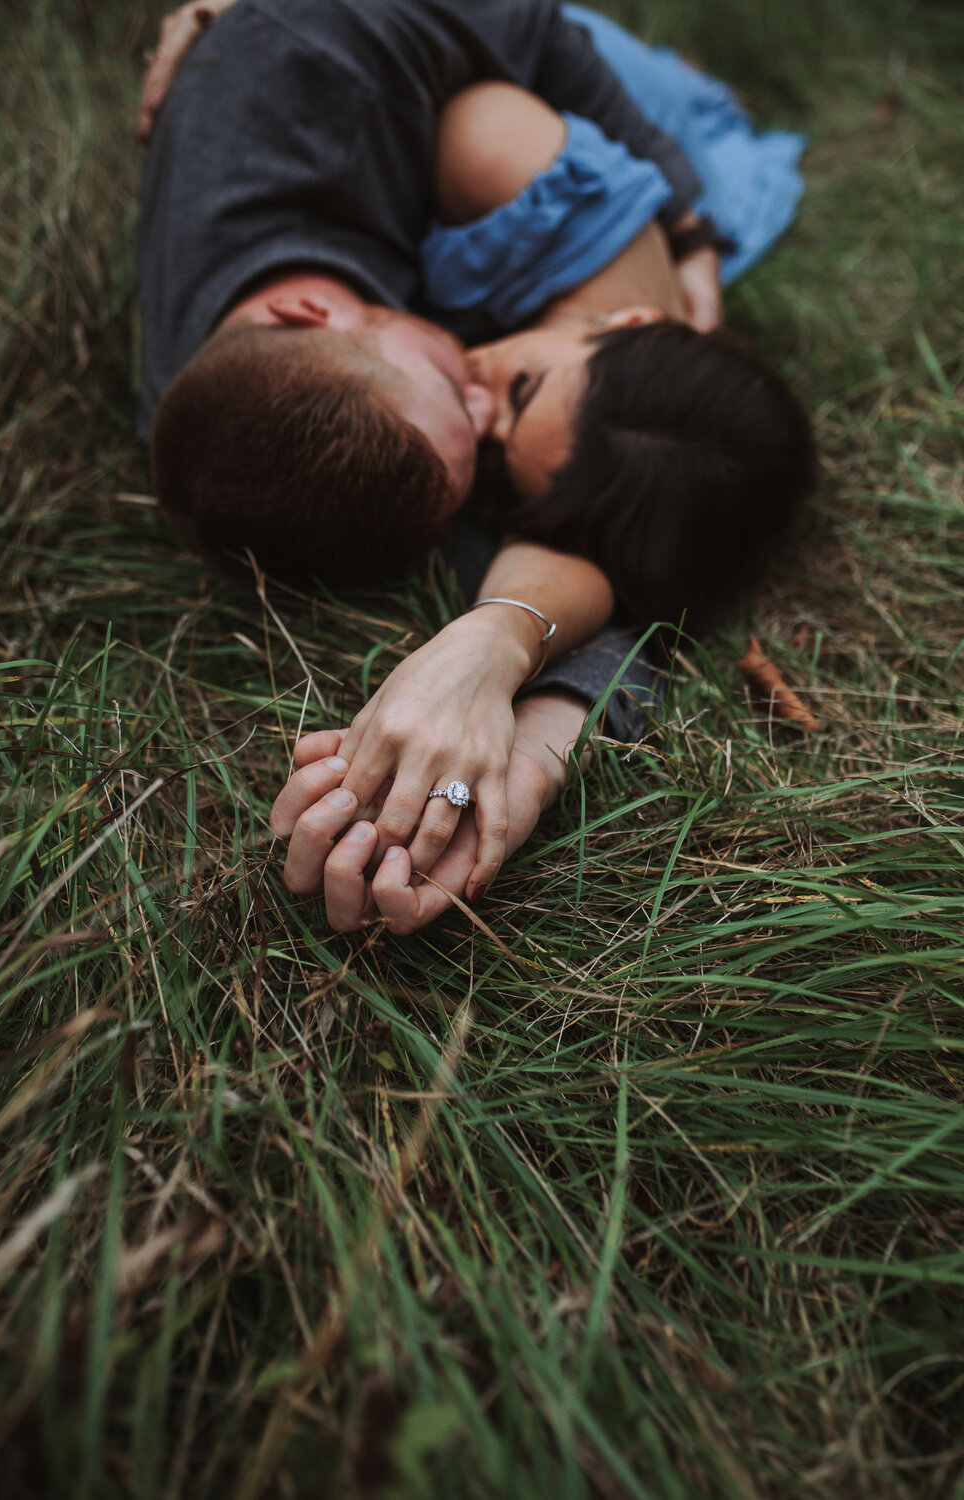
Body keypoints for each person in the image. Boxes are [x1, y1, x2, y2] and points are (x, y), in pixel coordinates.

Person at [137, 0, 815, 933]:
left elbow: (537, 32)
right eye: (477, 449)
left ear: (307, 312)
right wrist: (523, 726)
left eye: (460, 393)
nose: (482, 398)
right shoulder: (266, 440)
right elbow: (599, 559)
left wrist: (688, 220)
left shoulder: (317, 51)